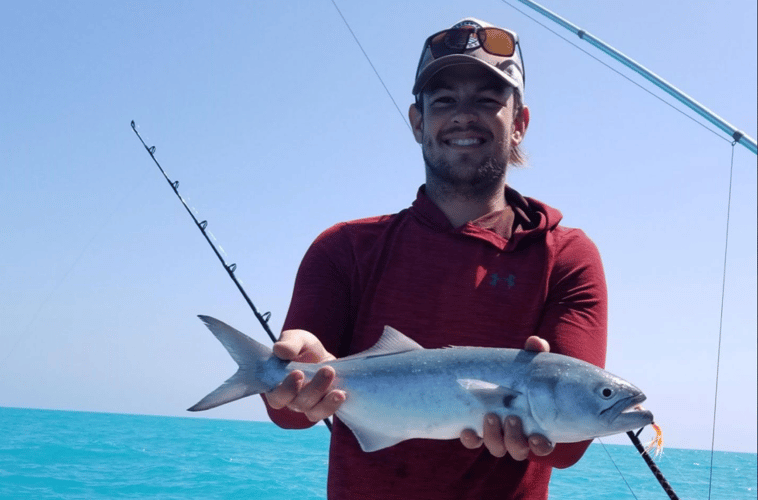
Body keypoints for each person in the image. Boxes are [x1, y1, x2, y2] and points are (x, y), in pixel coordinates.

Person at [263, 17, 607, 500]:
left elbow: (571, 444)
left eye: (488, 101)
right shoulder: (343, 248)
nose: (464, 115)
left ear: (521, 124)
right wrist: (297, 375)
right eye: (444, 100)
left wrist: (536, 427)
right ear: (417, 120)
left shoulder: (565, 255)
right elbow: (286, 414)